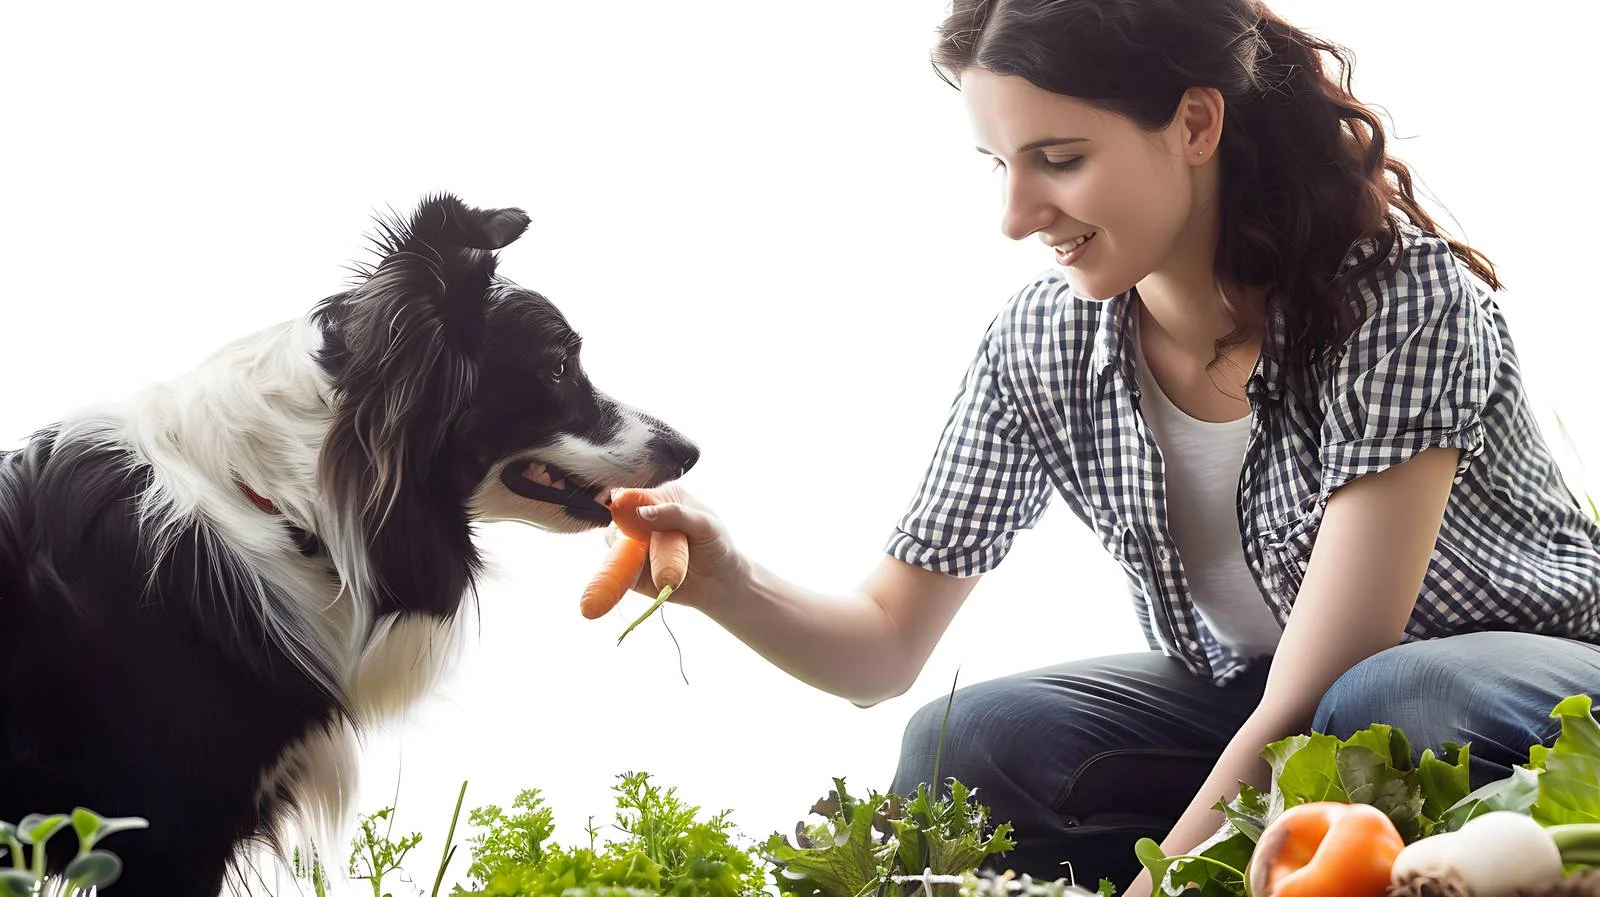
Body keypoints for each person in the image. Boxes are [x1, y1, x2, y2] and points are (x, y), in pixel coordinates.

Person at [608, 0, 1600, 892]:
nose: (1014, 216)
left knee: (1378, 699)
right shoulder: (1039, 342)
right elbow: (883, 646)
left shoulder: (1396, 299)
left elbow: (1321, 685)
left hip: (1518, 694)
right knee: (971, 744)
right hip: (1263, 701)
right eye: (1001, 165)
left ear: (1195, 124)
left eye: (1060, 158)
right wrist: (727, 582)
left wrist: (1157, 888)